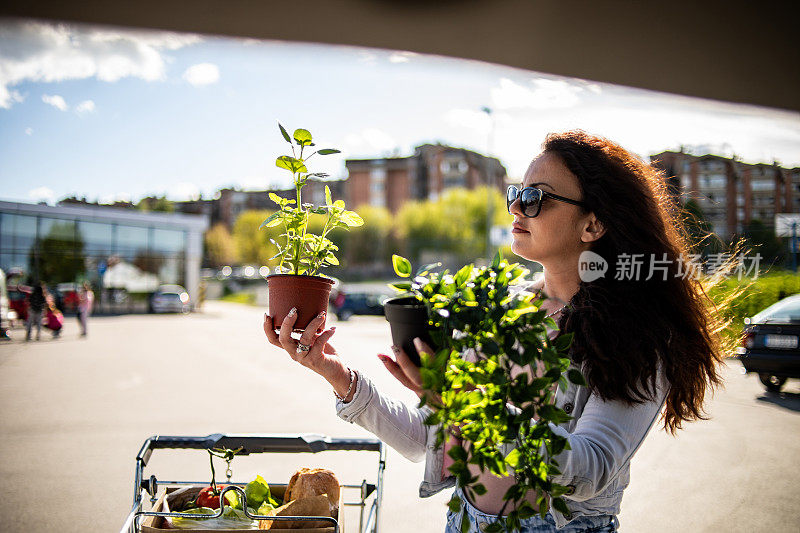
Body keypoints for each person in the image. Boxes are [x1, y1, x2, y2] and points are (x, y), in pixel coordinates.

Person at [263, 131, 731, 532]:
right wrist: (334, 372)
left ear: (593, 223)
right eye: (516, 193)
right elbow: (426, 440)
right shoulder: (502, 308)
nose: (517, 208)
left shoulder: (638, 332)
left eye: (535, 198)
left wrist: (466, 399)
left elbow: (589, 468)